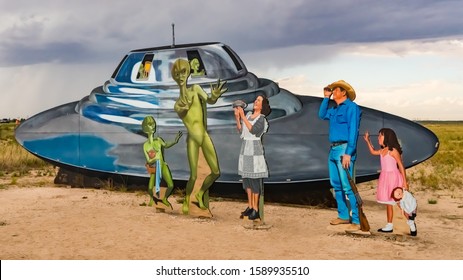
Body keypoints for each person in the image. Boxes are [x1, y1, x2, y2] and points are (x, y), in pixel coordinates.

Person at [172, 58, 227, 214]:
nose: (181, 76)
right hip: (192, 140)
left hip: (203, 135)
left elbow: (209, 100)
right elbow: (182, 111)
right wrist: (185, 106)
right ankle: (188, 198)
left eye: (183, 72)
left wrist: (214, 96)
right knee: (193, 176)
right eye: (177, 73)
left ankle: (200, 193)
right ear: (175, 77)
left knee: (216, 172)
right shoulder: (177, 104)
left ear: (188, 72)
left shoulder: (196, 89)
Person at [318, 80, 362, 233]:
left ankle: (357, 220)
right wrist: (326, 98)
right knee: (336, 185)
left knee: (348, 186)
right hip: (334, 149)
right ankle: (343, 215)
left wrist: (348, 153)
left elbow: (353, 131)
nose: (333, 92)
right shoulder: (334, 109)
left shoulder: (352, 108)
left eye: (335, 90)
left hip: (344, 149)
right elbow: (322, 115)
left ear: (343, 92)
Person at [233, 96, 271, 221]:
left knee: (255, 180)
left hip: (255, 150)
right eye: (256, 100)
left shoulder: (262, 119)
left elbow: (254, 130)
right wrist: (238, 118)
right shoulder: (249, 115)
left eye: (259, 101)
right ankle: (250, 206)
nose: (256, 102)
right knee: (247, 180)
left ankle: (256, 209)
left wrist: (243, 117)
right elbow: (241, 131)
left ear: (263, 105)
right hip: (245, 149)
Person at [363, 128, 408, 233]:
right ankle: (389, 224)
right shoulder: (383, 150)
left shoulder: (393, 151)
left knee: (398, 202)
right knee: (389, 202)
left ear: (387, 137)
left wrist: (404, 182)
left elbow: (401, 166)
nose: (378, 138)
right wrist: (368, 141)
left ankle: (409, 221)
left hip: (393, 177)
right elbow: (373, 151)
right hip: (385, 177)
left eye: (380, 136)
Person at [142, 115, 183, 209]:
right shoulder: (145, 145)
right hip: (155, 168)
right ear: (145, 128)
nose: (152, 126)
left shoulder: (159, 140)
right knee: (149, 188)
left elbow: (166, 145)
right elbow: (148, 160)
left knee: (171, 185)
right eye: (149, 124)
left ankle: (164, 198)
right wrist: (155, 159)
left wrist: (175, 141)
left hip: (163, 165)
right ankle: (153, 198)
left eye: (153, 124)